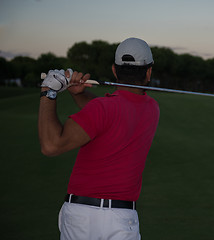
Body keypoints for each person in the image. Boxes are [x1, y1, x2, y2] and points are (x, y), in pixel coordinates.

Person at [38, 37, 160, 240]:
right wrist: (79, 94)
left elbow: (51, 145)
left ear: (114, 70)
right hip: (122, 219)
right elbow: (110, 115)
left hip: (80, 219)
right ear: (148, 71)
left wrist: (48, 91)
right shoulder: (152, 109)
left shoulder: (102, 109)